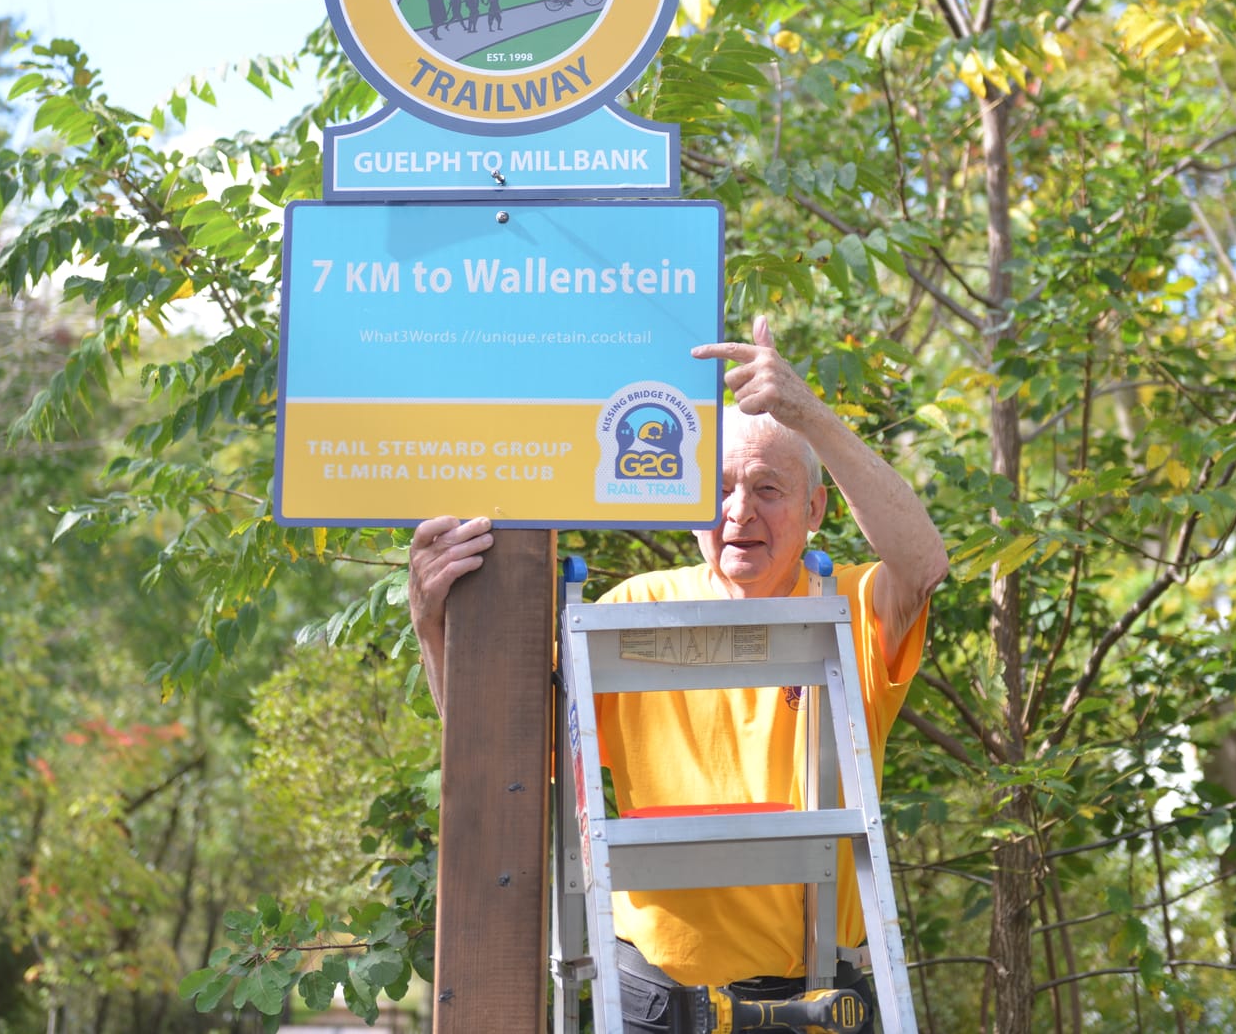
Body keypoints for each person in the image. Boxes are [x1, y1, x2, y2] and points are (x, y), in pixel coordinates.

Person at [407, 317, 949, 1031]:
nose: (739, 511)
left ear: (815, 507)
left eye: (768, 488)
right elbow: (508, 761)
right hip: (657, 1003)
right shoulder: (630, 611)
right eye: (720, 487)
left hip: (818, 997)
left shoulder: (840, 603)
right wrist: (431, 623)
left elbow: (924, 564)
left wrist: (807, 414)